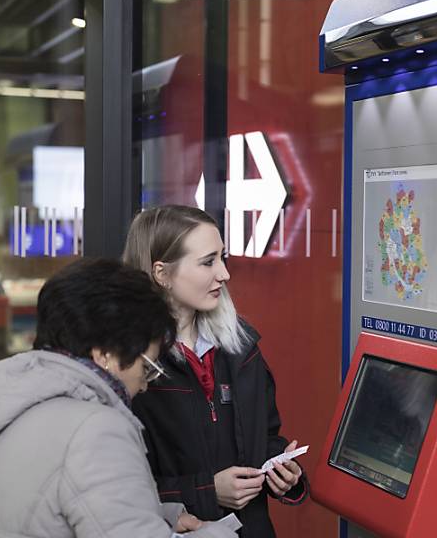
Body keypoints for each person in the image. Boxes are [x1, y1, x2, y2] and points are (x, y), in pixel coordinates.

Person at [0, 258, 238, 538]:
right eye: (146, 367)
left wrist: (158, 515)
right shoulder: (96, 428)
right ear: (106, 354)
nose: (145, 385)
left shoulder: (12, 403)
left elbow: (45, 515)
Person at [124, 205, 308, 538]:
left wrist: (281, 467)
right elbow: (119, 489)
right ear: (161, 273)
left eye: (223, 258)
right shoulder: (131, 368)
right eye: (208, 262)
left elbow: (264, 435)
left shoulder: (241, 349)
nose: (224, 274)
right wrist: (207, 491)